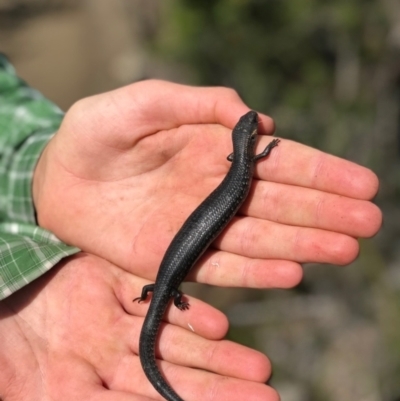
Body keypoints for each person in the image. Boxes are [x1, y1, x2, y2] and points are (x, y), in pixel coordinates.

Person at [0, 53, 382, 400]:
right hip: (166, 279)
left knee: (164, 287)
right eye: (252, 129)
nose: (255, 124)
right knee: (164, 288)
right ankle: (164, 352)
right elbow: (254, 155)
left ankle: (163, 321)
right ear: (249, 138)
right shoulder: (245, 160)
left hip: (167, 277)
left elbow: (250, 155)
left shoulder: (240, 157)